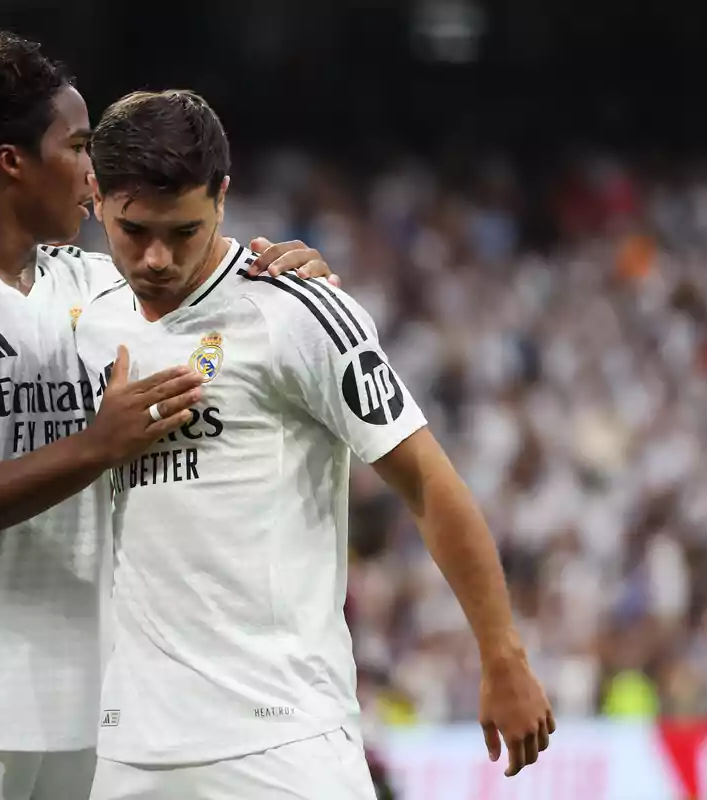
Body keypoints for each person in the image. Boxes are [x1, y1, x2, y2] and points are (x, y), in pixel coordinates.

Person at [0, 32, 336, 800]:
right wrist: (94, 447)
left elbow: (204, 278)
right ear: (13, 161)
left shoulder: (98, 287)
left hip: (90, 717)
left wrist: (283, 273)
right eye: (77, 146)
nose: (94, 171)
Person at [75, 89, 555, 799]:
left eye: (185, 232)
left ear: (224, 199)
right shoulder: (79, 318)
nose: (156, 258)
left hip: (281, 736)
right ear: (96, 195)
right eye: (133, 229)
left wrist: (502, 653)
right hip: (124, 749)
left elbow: (427, 481)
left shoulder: (298, 312)